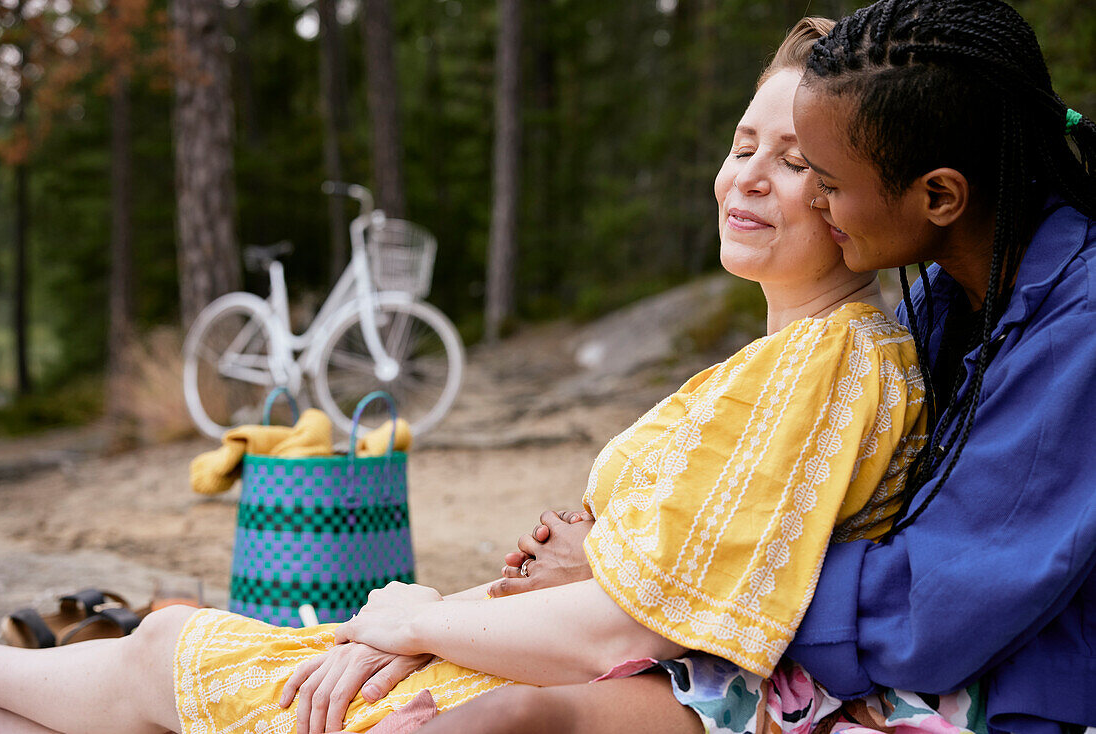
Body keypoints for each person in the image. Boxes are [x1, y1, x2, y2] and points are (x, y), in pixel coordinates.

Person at [0, 17, 932, 734]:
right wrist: (427, 616)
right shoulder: (796, 357)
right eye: (742, 145)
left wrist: (414, 622)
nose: (748, 178)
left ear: (857, 190)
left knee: (161, 654)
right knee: (153, 659)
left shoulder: (832, 361)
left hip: (590, 679)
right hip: (539, 652)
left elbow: (632, 630)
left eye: (797, 161)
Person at [431, 0, 1096, 732]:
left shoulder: (1076, 332)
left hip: (1024, 697)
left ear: (938, 195)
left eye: (826, 179)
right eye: (747, 148)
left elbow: (933, 612)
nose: (812, 200)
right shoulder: (945, 297)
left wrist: (655, 573)